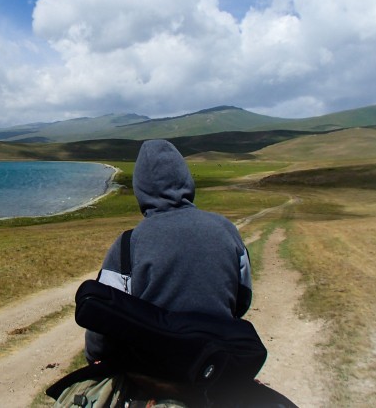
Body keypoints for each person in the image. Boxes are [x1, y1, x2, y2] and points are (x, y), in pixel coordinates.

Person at [85, 139, 253, 364]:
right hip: (218, 361)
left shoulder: (128, 243)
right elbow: (243, 298)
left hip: (153, 368)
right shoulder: (226, 229)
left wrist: (94, 355)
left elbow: (103, 318)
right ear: (186, 179)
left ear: (140, 187)